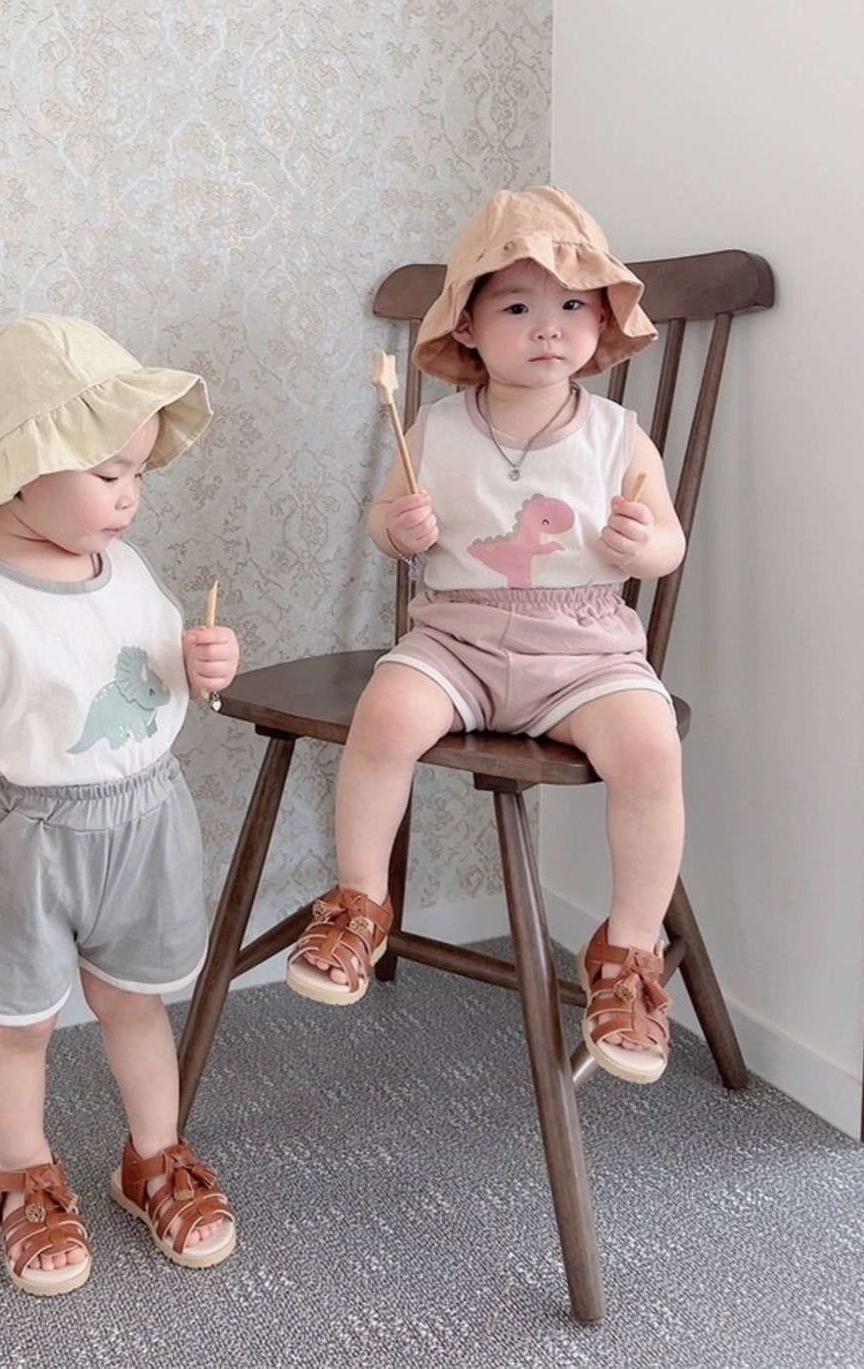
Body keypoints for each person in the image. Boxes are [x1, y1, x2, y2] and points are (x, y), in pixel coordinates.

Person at [286, 185, 686, 1086]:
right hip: (455, 641)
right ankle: (360, 903)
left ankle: (628, 956)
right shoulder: (433, 426)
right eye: (516, 308)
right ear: (466, 325)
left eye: (573, 306)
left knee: (650, 747)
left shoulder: (618, 434)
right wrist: (402, 531)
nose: (548, 327)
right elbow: (384, 521)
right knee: (386, 715)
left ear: (601, 320)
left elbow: (670, 540)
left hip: (584, 650)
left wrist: (646, 546)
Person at [0, 314, 240, 1295]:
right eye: (106, 472)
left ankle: (154, 1155)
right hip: (27, 841)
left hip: (145, 820)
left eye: (139, 472)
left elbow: (147, 671)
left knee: (135, 1002)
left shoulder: (125, 568)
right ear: (22, 468)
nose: (130, 494)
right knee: (21, 1023)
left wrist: (201, 664)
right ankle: (27, 1178)